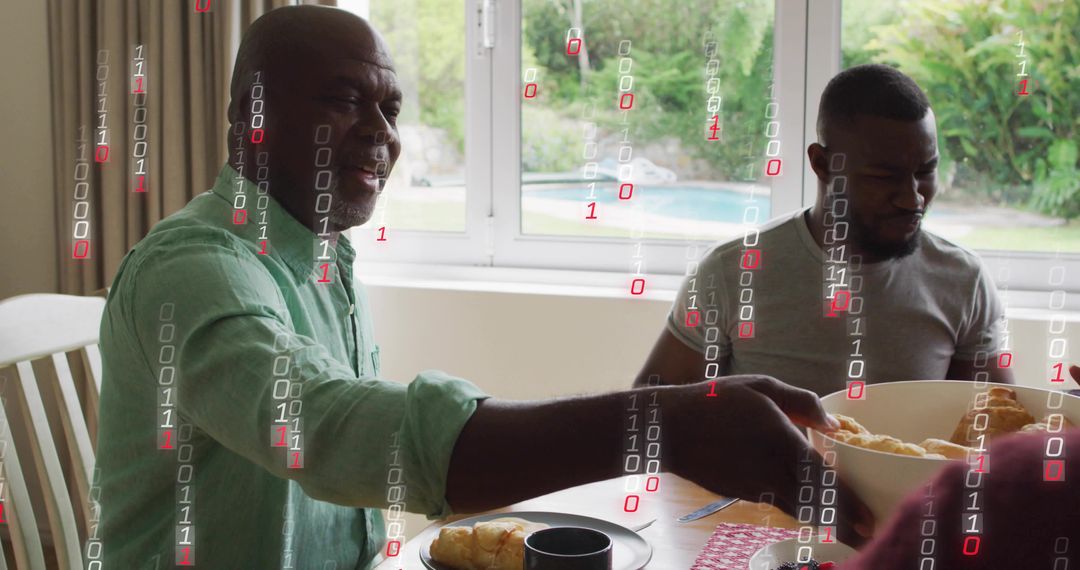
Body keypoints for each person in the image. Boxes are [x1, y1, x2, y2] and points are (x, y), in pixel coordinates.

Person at [93, 6, 872, 568]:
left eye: (390, 108)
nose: (381, 132)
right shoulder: (192, 271)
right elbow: (327, 431)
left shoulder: (326, 259)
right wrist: (670, 424)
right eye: (342, 98)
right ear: (247, 120)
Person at [635, 64, 1014, 395]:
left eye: (925, 171)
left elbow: (996, 432)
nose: (912, 198)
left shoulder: (964, 282)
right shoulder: (731, 273)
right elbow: (649, 410)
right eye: (884, 177)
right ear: (822, 164)